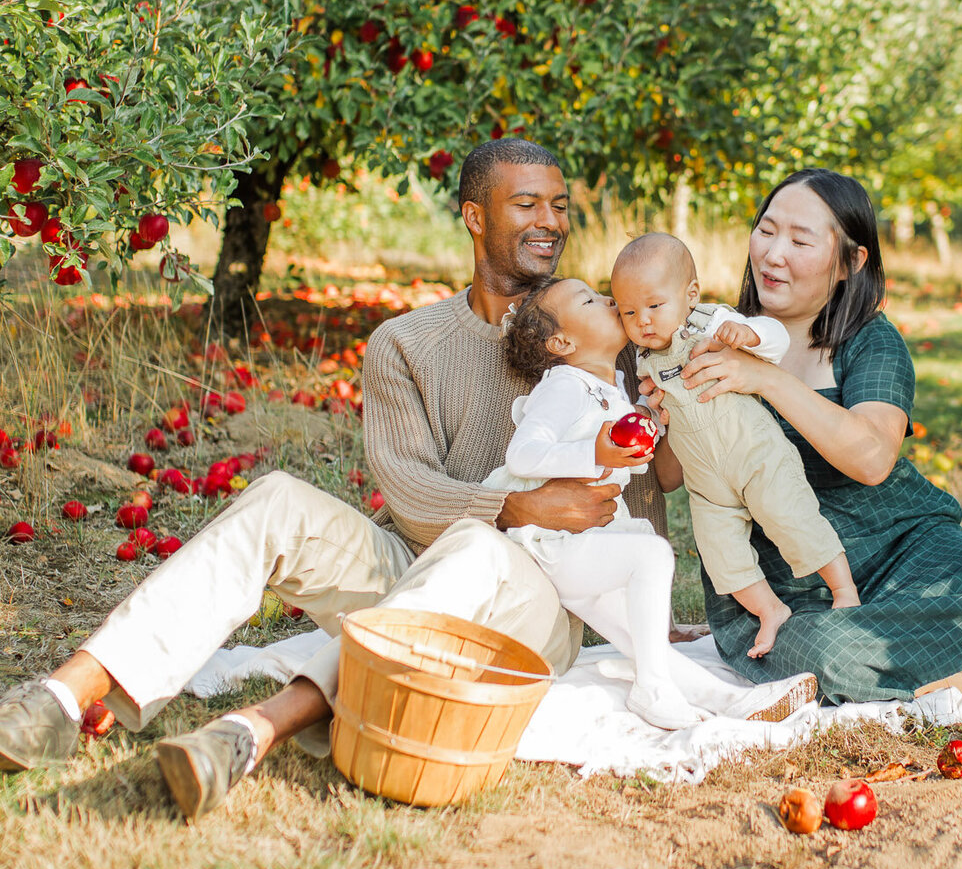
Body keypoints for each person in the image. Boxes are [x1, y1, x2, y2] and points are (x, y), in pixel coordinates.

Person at [0, 139, 672, 818]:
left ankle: (255, 731)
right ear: (475, 215)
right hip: (417, 562)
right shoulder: (406, 344)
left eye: (559, 206)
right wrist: (521, 503)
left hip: (537, 609)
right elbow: (409, 494)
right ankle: (63, 697)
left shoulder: (595, 334)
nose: (550, 221)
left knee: (476, 548)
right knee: (276, 500)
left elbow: (638, 488)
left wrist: (649, 609)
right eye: (526, 204)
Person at [645, 167, 962, 707]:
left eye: (800, 240)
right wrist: (664, 414)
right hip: (789, 577)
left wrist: (767, 378)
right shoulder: (707, 333)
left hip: (900, 543)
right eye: (767, 230)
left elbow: (871, 460)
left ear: (851, 261)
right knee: (823, 655)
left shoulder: (868, 342)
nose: (773, 253)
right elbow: (669, 476)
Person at [488, 276, 817, 727]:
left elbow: (632, 460)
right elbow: (522, 454)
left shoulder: (614, 385)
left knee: (643, 643)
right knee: (653, 554)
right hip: (552, 540)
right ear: (562, 341)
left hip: (593, 537)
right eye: (590, 300)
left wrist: (649, 422)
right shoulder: (566, 386)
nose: (608, 299)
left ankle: (729, 701)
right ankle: (654, 691)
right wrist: (596, 454)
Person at [611, 234, 858, 659]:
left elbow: (776, 338)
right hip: (707, 485)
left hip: (754, 455)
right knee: (720, 555)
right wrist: (646, 413)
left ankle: (844, 590)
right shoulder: (642, 360)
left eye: (654, 306)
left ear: (690, 295)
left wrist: (749, 333)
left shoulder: (711, 323)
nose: (644, 321)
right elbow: (650, 406)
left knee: (794, 519)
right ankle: (770, 610)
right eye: (630, 312)